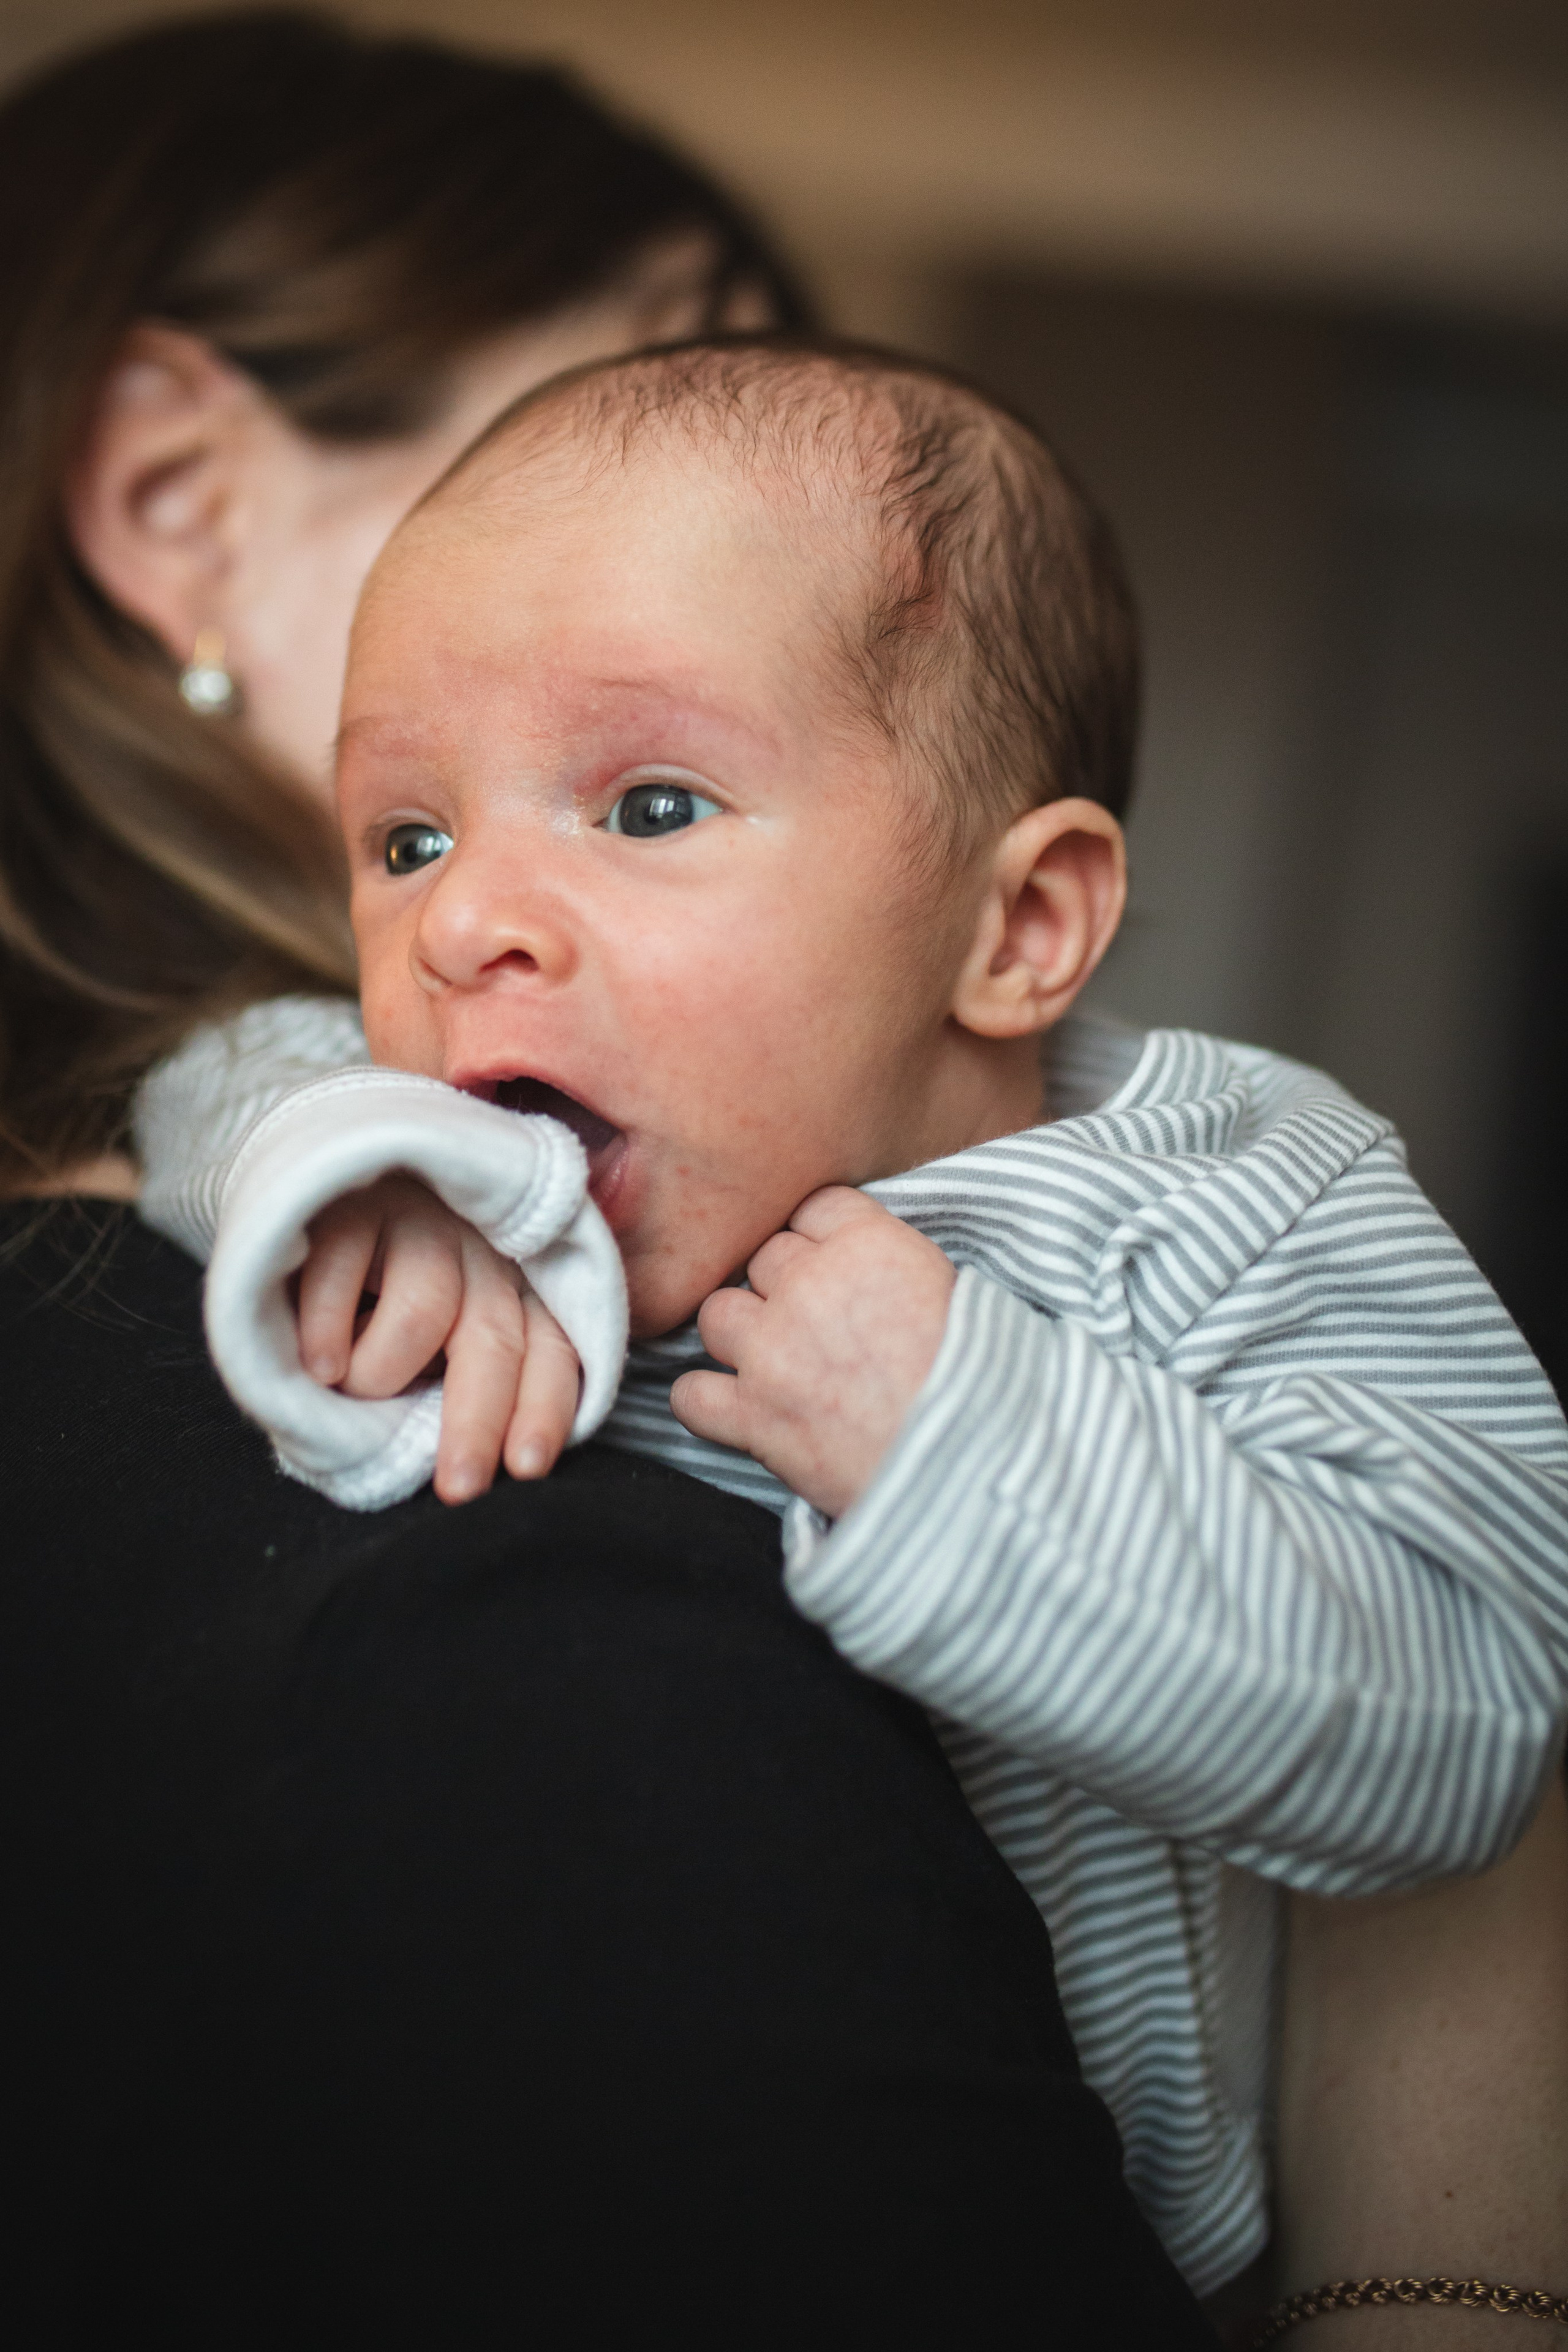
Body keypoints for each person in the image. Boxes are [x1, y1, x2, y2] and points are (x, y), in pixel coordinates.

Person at [138, 338, 1568, 2323]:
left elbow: (1473, 1718)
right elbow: (216, 1080)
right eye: (408, 837)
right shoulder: (455, 1155)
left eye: (646, 803)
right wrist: (342, 1163)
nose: (465, 923)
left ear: (1018, 932)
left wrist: (962, 1431)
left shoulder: (1229, 1189)